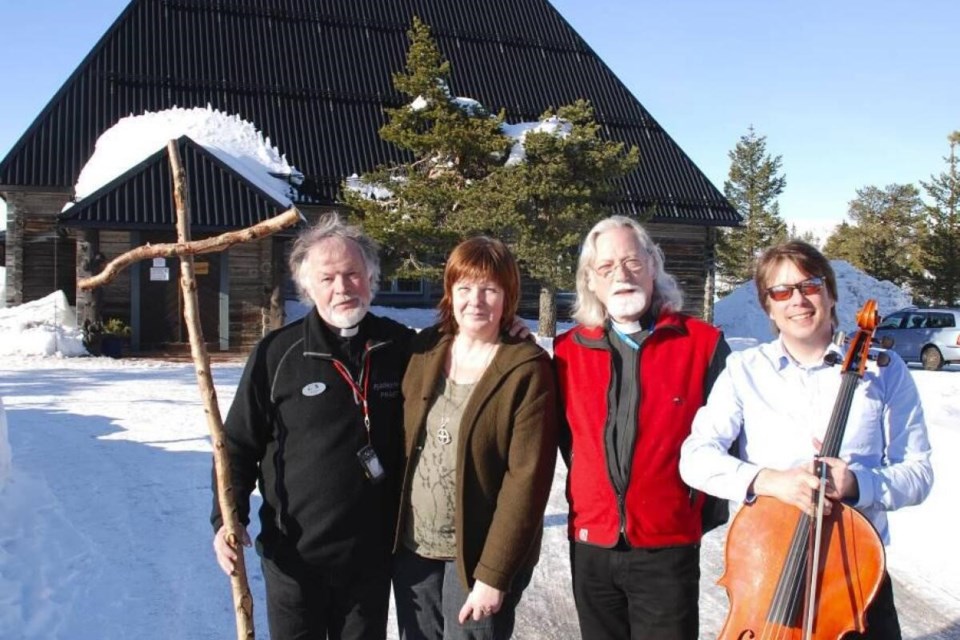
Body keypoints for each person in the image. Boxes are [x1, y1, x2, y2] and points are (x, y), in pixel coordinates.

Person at [679, 240, 934, 639]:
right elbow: (694, 458)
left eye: (809, 285)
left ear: (830, 294)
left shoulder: (885, 370)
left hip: (854, 578)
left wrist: (856, 484)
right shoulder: (744, 370)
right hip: (768, 574)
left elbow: (918, 474)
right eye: (780, 291)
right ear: (768, 307)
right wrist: (769, 480)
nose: (796, 300)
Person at [211, 213, 413, 639]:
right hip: (294, 560)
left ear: (371, 278)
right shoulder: (277, 355)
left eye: (353, 274)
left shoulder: (402, 347)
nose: (342, 287)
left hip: (370, 559)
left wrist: (507, 332)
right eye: (328, 278)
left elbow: (467, 351)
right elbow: (236, 446)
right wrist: (228, 518)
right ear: (307, 288)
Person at [553, 215, 730, 640]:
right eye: (606, 267)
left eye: (633, 262)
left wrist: (685, 511)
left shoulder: (702, 345)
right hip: (592, 545)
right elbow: (567, 440)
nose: (622, 275)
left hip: (667, 548)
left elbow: (729, 443)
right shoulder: (566, 352)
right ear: (590, 282)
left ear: (653, 267)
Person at [392, 236, 558, 640]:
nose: (476, 300)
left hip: (477, 557)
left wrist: (494, 574)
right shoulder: (424, 350)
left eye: (490, 289)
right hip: (415, 549)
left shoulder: (526, 369)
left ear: (508, 295)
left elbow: (527, 482)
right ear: (450, 293)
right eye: (464, 287)